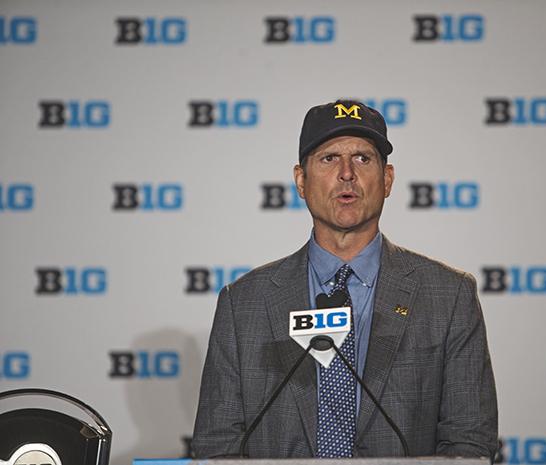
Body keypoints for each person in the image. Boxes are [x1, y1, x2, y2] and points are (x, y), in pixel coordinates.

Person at [192, 100, 498, 459]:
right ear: (301, 181)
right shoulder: (244, 303)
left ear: (387, 180)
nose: (347, 173)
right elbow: (217, 447)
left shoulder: (448, 296)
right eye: (329, 158)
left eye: (363, 158)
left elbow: (470, 443)